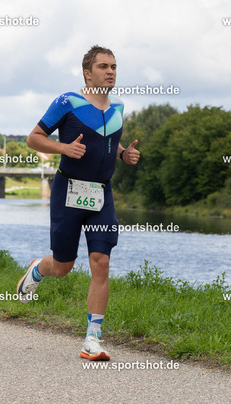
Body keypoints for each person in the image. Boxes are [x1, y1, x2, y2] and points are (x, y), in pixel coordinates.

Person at [17, 45, 140, 361]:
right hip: (68, 192)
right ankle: (37, 270)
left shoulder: (118, 107)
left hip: (101, 195)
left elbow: (107, 143)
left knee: (101, 261)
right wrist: (64, 148)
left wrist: (123, 154)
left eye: (113, 67)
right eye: (103, 66)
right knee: (63, 266)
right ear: (87, 73)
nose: (110, 72)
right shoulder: (67, 102)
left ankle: (92, 339)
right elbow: (34, 138)